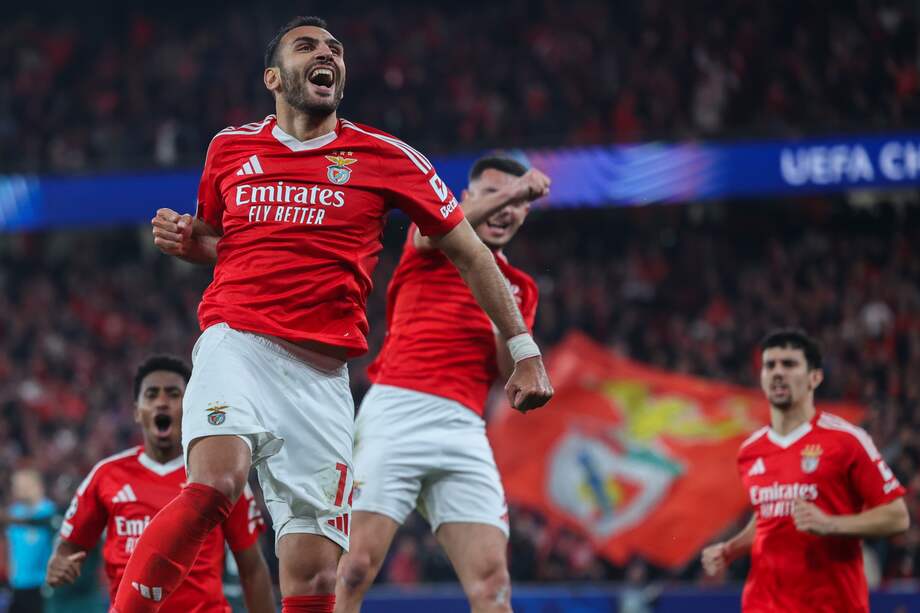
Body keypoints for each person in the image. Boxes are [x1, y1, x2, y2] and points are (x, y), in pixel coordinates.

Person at [121, 14, 553, 613]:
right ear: (273, 76)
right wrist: (196, 243)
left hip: (324, 380)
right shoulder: (229, 149)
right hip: (237, 343)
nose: (327, 54)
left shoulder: (387, 157)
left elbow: (470, 252)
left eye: (335, 49)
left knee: (319, 576)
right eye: (307, 46)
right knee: (217, 484)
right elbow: (228, 243)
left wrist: (525, 351)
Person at [334, 155, 549, 613]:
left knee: (492, 583)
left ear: (527, 215)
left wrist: (501, 324)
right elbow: (434, 228)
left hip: (464, 429)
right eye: (491, 195)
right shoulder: (435, 242)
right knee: (354, 568)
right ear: (465, 198)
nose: (505, 210)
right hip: (395, 412)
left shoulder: (521, 289)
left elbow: (504, 376)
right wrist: (517, 189)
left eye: (517, 203)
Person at [701, 329, 910, 612]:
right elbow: (769, 517)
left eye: (789, 364)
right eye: (769, 365)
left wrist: (831, 524)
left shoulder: (846, 439)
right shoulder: (751, 450)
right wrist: (731, 549)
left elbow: (897, 516)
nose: (777, 373)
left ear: (815, 377)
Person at [47, 355, 274, 612]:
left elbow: (252, 568)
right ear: (136, 411)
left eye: (173, 394)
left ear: (191, 408)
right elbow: (69, 547)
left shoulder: (219, 477)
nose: (162, 403)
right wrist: (58, 562)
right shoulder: (105, 475)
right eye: (152, 395)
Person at [4, 468, 55, 613]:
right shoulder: (14, 513)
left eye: (19, 484)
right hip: (18, 585)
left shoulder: (49, 513)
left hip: (41, 586)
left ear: (34, 485)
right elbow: (11, 546)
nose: (15, 488)